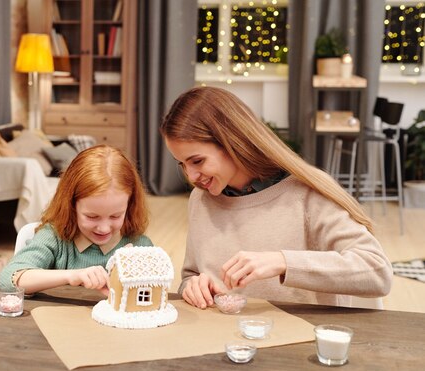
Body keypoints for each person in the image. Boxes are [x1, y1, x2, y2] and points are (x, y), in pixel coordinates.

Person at [159, 86, 392, 309]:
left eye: (197, 161)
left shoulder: (308, 193)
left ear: (232, 142)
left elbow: (377, 272)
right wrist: (192, 287)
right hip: (227, 342)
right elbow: (191, 275)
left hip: (300, 344)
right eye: (182, 164)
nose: (190, 176)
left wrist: (282, 262)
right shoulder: (200, 200)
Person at [0, 144, 153, 295]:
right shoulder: (54, 238)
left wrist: (135, 271)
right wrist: (71, 276)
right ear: (71, 206)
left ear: (130, 205)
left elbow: (154, 294)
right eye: (92, 216)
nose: (104, 228)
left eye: (115, 216)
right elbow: (7, 280)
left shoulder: (140, 245)